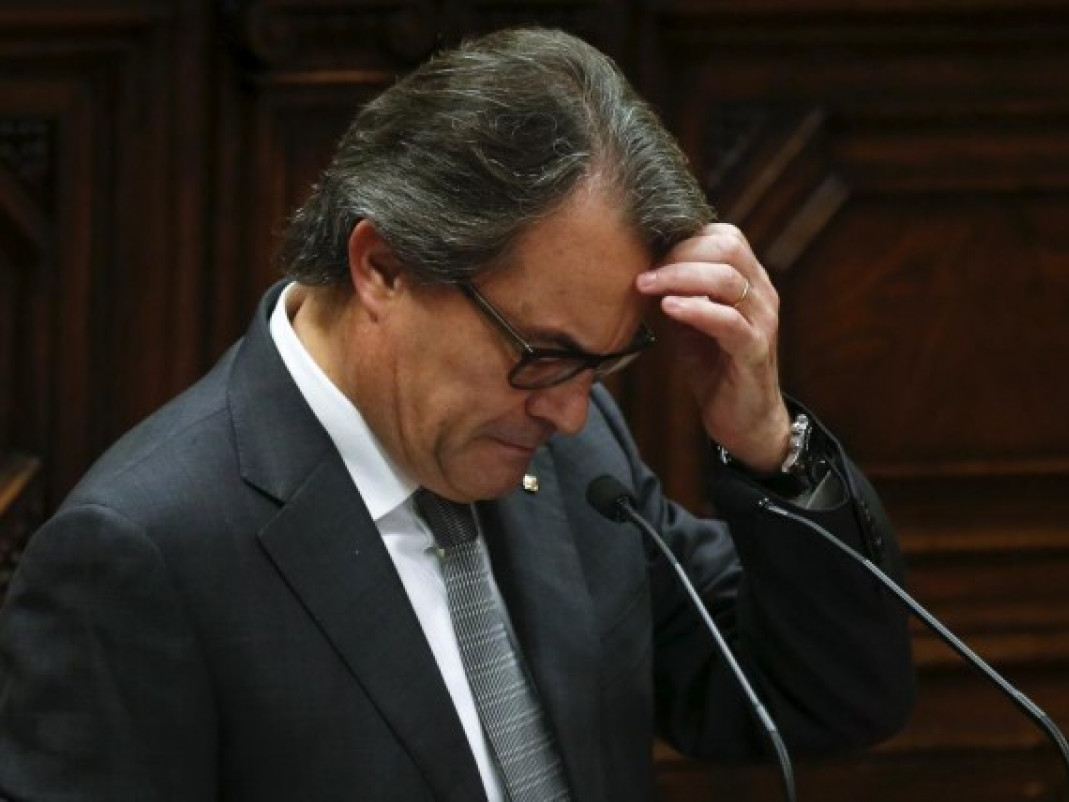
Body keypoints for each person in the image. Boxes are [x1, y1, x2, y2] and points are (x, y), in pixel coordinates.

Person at [0, 27, 913, 802]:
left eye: (602, 363)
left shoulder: (575, 458)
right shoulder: (139, 555)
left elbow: (823, 699)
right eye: (543, 353)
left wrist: (769, 446)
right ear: (383, 267)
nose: (569, 411)